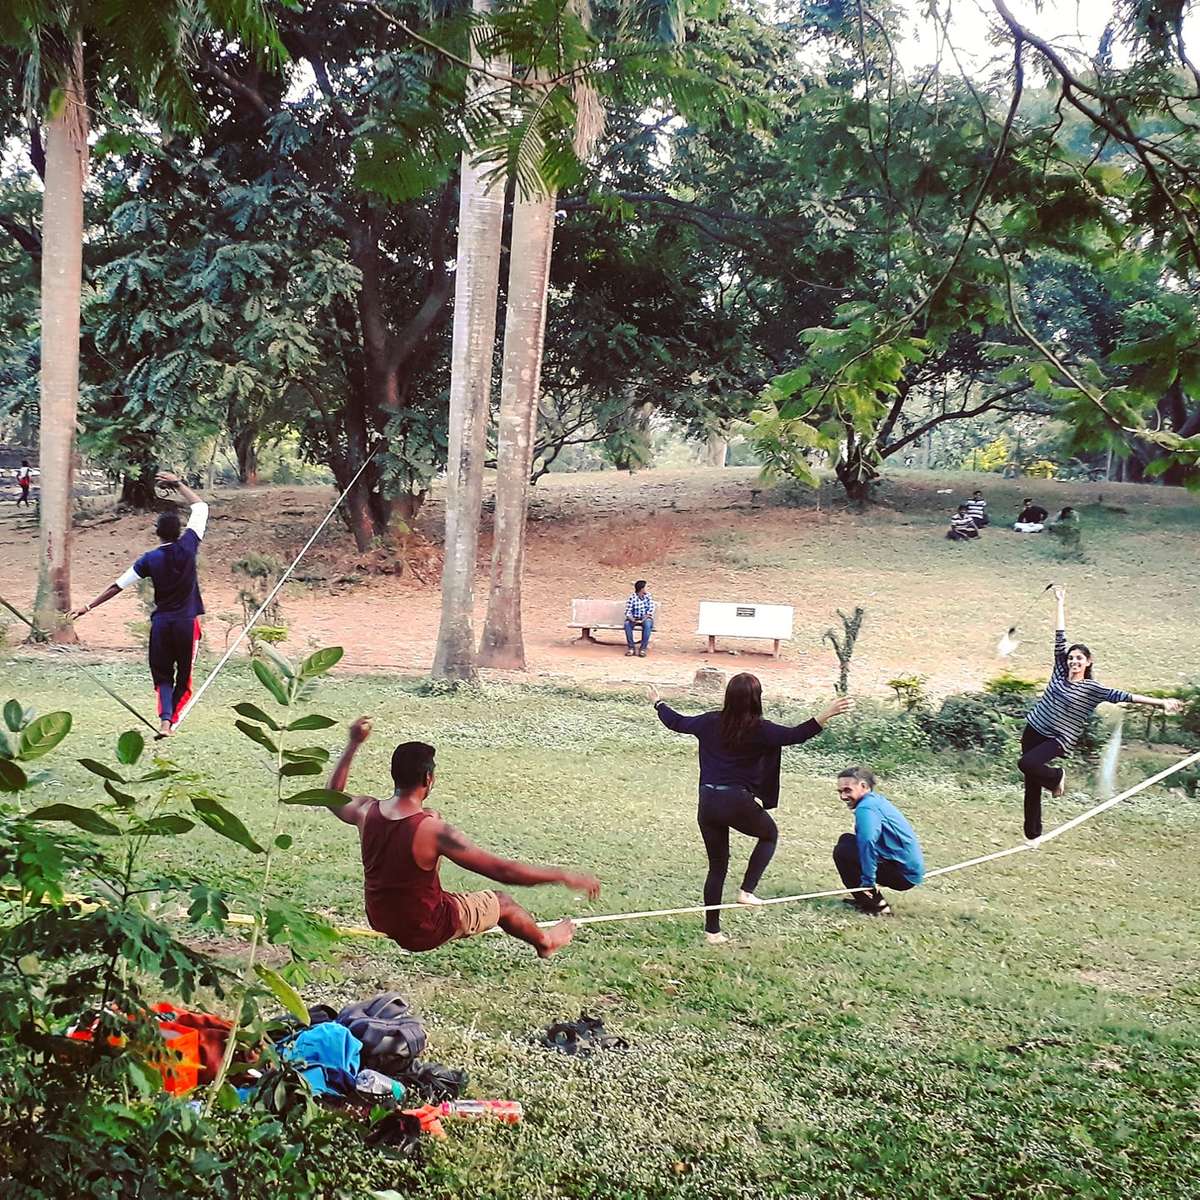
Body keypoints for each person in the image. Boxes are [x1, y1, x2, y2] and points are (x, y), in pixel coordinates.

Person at [326, 720, 600, 957]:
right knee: (502, 902)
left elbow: (331, 795)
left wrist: (353, 743)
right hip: (425, 927)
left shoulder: (365, 811)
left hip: (381, 917)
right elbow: (503, 871)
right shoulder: (435, 832)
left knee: (431, 816)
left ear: (394, 775)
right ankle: (547, 944)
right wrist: (562, 875)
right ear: (428, 778)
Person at [648, 674, 853, 944]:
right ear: (757, 698)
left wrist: (658, 703)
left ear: (728, 696)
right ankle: (747, 890)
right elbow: (795, 735)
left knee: (717, 867)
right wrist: (824, 715)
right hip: (736, 801)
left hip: (707, 801)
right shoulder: (760, 728)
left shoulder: (710, 721)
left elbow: (677, 722)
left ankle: (713, 932)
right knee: (769, 834)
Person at [1017, 586, 1181, 841]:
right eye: (1071, 658)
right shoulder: (1060, 672)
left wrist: (1161, 703)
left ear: (1088, 662)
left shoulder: (1093, 689)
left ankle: (1057, 777)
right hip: (1033, 730)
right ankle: (1033, 834)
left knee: (1027, 764)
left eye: (1079, 659)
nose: (1073, 662)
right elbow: (1060, 637)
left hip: (1056, 740)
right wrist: (1060, 602)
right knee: (1031, 779)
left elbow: (1125, 696)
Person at [71, 472, 208, 737]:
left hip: (161, 625)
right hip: (186, 624)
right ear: (180, 531)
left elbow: (117, 586)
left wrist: (87, 607)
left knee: (163, 677)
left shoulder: (149, 559)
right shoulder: (189, 546)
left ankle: (165, 721)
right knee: (184, 679)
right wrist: (178, 484)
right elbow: (200, 507)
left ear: (157, 533)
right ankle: (171, 723)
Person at [832, 767, 924, 917]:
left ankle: (875, 906)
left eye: (847, 790)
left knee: (842, 852)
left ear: (863, 786)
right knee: (846, 840)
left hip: (904, 874)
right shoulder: (874, 800)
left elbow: (868, 843)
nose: (842, 796)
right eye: (840, 792)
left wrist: (868, 881)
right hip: (903, 867)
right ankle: (866, 900)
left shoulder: (866, 808)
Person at [624, 579, 655, 657]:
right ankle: (631, 648)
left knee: (647, 624)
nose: (646, 589)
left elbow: (650, 609)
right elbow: (628, 612)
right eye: (645, 587)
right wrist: (632, 619)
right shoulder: (632, 598)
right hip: (634, 618)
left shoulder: (648, 596)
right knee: (627, 624)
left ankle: (643, 649)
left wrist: (643, 619)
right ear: (641, 589)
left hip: (645, 617)